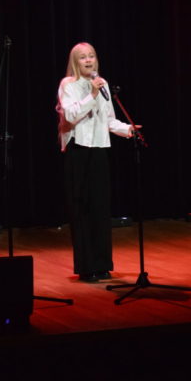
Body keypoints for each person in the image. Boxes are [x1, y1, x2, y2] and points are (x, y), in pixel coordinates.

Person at [56, 42, 138, 282]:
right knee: (82, 208)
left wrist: (127, 129)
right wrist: (91, 94)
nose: (88, 60)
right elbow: (71, 115)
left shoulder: (102, 84)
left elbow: (108, 120)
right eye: (83, 57)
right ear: (75, 62)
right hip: (78, 149)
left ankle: (102, 264)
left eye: (91, 56)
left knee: (100, 207)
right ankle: (86, 267)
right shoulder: (68, 85)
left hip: (99, 148)